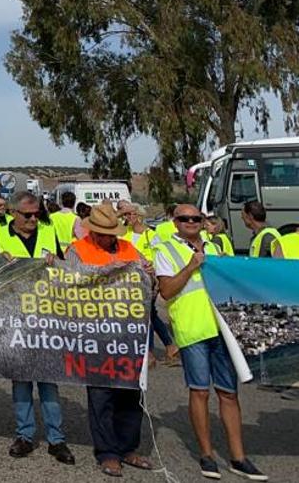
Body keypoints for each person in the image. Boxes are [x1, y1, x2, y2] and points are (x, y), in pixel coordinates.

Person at [155, 205, 269, 481]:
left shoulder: (216, 247)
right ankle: (206, 455)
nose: (191, 222)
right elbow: (167, 290)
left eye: (197, 218)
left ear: (204, 221)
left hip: (222, 329)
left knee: (229, 393)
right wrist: (191, 266)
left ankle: (238, 457)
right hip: (193, 329)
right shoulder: (165, 249)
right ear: (175, 222)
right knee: (200, 392)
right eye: (185, 218)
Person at [0, 192, 75, 466]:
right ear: (13, 213)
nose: (33, 219)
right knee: (21, 381)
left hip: (46, 317)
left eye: (37, 213)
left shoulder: (49, 234)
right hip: (14, 317)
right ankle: (24, 435)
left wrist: (57, 263)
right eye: (27, 215)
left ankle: (56, 439)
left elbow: (66, 270)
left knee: (48, 381)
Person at [67, 203, 153, 477]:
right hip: (95, 334)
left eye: (112, 232)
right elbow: (66, 291)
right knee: (101, 395)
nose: (109, 238)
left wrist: (148, 276)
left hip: (128, 334)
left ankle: (127, 448)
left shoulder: (129, 248)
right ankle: (107, 452)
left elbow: (148, 289)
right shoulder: (77, 250)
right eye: (103, 233)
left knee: (130, 393)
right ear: (93, 231)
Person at [117, 201, 178, 366]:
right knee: (150, 314)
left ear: (141, 216)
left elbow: (159, 257)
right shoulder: (125, 234)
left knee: (147, 314)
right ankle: (170, 346)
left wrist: (157, 278)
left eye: (133, 214)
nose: (129, 217)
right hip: (130, 280)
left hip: (149, 280)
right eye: (127, 215)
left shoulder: (151, 235)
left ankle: (149, 352)